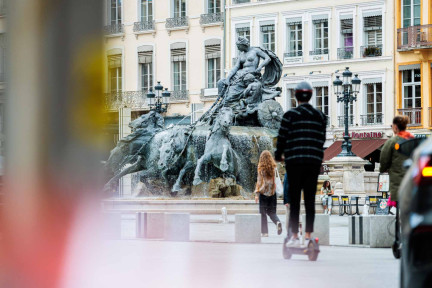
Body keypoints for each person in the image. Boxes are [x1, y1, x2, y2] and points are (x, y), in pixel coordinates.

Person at [275, 81, 327, 247]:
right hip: (312, 163)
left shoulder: (289, 116)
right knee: (310, 200)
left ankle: (295, 237)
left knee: (295, 200)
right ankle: (309, 235)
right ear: (311, 95)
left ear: (296, 96)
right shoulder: (319, 116)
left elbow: (281, 140)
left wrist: (279, 156)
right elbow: (321, 140)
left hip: (294, 162)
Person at [380, 115, 414, 206]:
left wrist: (383, 169)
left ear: (395, 127)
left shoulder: (392, 141)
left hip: (397, 178)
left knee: (399, 203)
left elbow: (384, 159)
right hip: (412, 177)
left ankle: (398, 219)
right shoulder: (412, 140)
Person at [254, 150, 282, 237]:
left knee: (263, 213)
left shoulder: (261, 168)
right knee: (272, 212)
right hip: (272, 194)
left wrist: (256, 194)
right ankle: (277, 222)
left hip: (263, 194)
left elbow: (259, 182)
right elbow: (277, 180)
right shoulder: (274, 167)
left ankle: (265, 232)